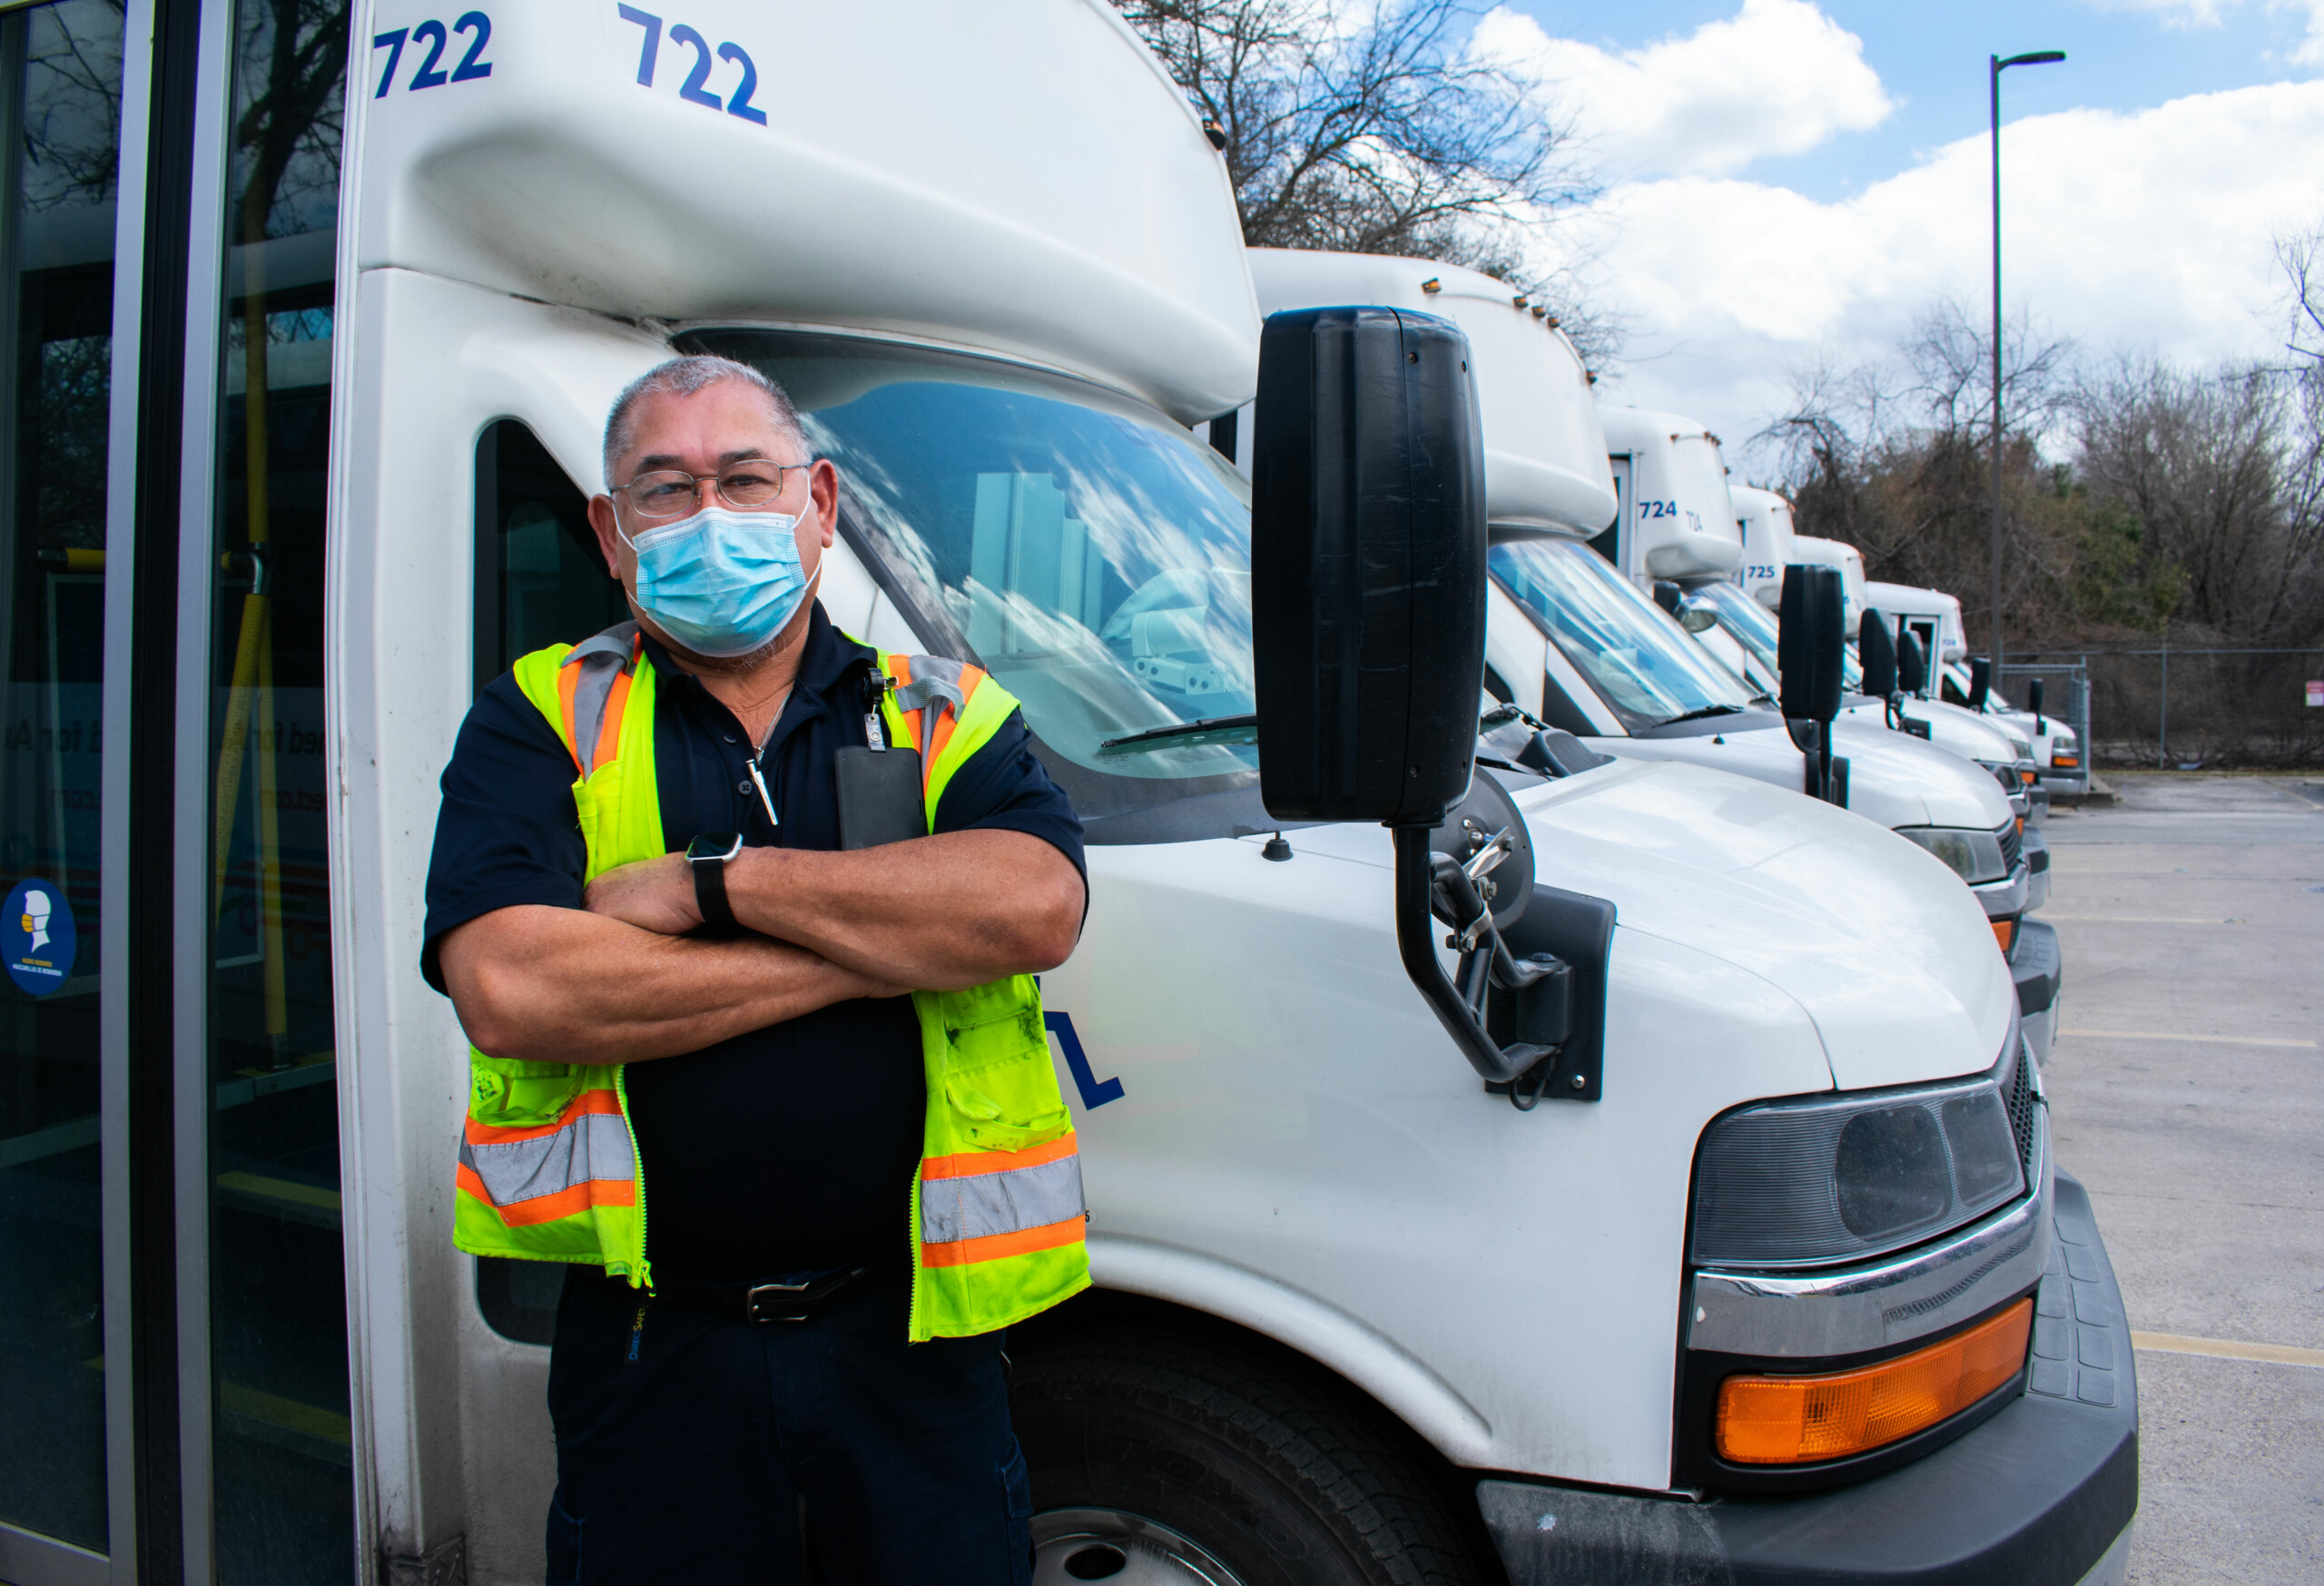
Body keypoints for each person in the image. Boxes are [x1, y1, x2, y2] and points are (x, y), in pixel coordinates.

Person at [421, 355, 1090, 1583]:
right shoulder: (538, 717)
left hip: (913, 1345)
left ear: (820, 506)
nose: (711, 517)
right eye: (665, 491)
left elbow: (1034, 907)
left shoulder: (941, 708)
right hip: (656, 1349)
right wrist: (875, 954)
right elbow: (514, 989)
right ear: (610, 534)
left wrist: (707, 887)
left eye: (745, 479)